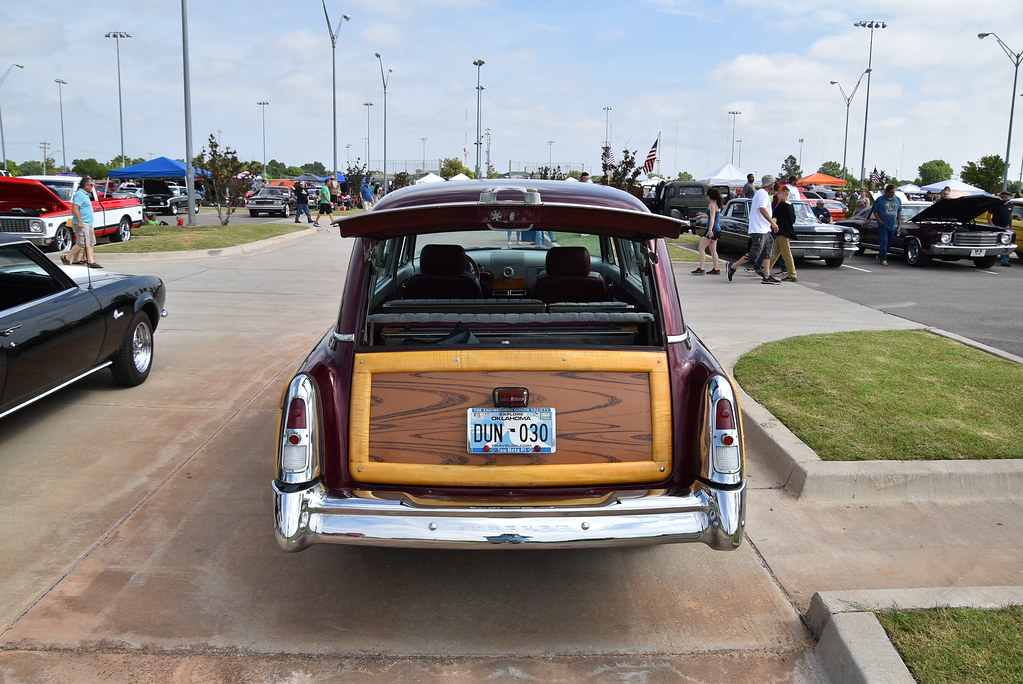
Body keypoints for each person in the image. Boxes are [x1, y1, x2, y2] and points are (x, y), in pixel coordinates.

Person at [727, 174, 779, 284]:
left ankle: (766, 276)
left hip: (764, 229)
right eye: (773, 183)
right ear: (769, 184)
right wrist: (772, 223)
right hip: (759, 229)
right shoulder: (762, 194)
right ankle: (733, 266)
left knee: (767, 252)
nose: (774, 185)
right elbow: (762, 209)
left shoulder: (763, 194)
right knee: (755, 253)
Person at [61, 176, 102, 268]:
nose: (92, 187)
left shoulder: (85, 195)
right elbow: (74, 208)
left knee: (90, 242)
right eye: (91, 185)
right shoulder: (79, 194)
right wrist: (80, 221)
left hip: (88, 223)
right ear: (86, 185)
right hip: (82, 223)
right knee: (82, 242)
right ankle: (67, 257)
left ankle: (89, 261)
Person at [691, 187, 723, 274]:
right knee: (713, 250)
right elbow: (711, 215)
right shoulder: (716, 204)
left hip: (712, 229)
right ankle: (716, 269)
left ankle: (701, 268)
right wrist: (701, 216)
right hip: (717, 229)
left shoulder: (712, 205)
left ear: (709, 196)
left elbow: (712, 218)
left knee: (701, 248)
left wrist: (710, 230)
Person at [770, 185, 798, 282]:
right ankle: (765, 268)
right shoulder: (791, 205)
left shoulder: (781, 205)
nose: (777, 196)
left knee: (786, 254)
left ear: (784, 193)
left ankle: (792, 274)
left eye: (779, 194)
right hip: (785, 232)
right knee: (775, 252)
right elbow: (793, 219)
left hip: (782, 232)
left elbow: (774, 215)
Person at [870, 183, 902, 265]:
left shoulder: (897, 199)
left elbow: (899, 212)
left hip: (892, 225)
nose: (892, 194)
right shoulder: (880, 200)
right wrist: (880, 221)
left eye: (893, 192)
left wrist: (899, 224)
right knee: (884, 243)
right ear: (886, 192)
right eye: (891, 192)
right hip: (883, 225)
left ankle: (881, 255)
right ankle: (884, 259)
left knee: (889, 243)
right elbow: (875, 211)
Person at [991, 190, 1013, 266]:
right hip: (996, 226)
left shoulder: (1010, 205)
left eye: (1006, 196)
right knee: (995, 242)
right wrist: (991, 224)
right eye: (1003, 195)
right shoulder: (995, 204)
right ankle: (991, 258)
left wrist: (1010, 226)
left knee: (1006, 243)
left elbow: (1010, 216)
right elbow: (988, 215)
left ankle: (1004, 261)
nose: (1005, 197)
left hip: (1006, 226)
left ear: (1009, 197)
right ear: (1000, 196)